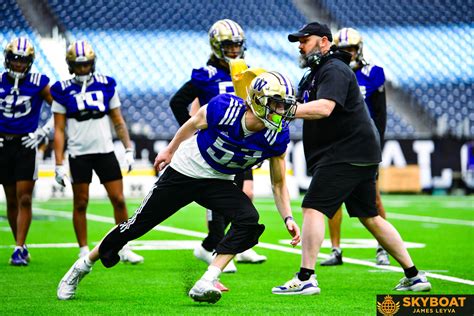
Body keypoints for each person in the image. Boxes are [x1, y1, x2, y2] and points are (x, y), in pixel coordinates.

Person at [56, 71, 301, 304]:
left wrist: (287, 216)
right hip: (186, 169)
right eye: (277, 103)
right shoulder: (225, 108)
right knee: (136, 226)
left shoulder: (276, 136)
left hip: (218, 180)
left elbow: (278, 182)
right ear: (258, 101)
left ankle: (207, 281)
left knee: (249, 220)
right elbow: (194, 122)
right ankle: (81, 267)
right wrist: (170, 150)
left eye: (285, 104)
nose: (283, 111)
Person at [272, 22, 431, 295]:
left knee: (312, 207)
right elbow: (297, 102)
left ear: (324, 42)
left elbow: (324, 108)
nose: (299, 45)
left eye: (304, 40)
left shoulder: (333, 68)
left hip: (344, 152)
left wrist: (287, 111)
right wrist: (274, 104)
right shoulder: (316, 73)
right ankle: (415, 276)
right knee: (371, 216)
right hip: (358, 152)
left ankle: (306, 277)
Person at [169, 19, 266, 275]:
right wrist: (196, 130)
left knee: (247, 194)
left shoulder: (247, 73)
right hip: (217, 145)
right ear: (215, 45)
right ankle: (214, 244)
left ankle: (236, 244)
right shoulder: (206, 74)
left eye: (237, 45)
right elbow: (177, 102)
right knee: (221, 193)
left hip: (243, 141)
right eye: (228, 45)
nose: (234, 50)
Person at [51, 40, 143, 264]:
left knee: (119, 199)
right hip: (79, 153)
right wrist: (59, 163)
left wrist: (128, 148)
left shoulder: (106, 84)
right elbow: (59, 129)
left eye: (86, 64)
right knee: (80, 202)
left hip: (105, 151)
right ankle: (83, 249)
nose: (83, 69)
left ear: (92, 63)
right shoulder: (62, 89)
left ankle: (123, 246)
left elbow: (118, 121)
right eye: (79, 65)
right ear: (71, 65)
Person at [319, 27, 390, 266]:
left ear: (358, 49)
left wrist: (377, 143)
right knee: (332, 200)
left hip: (364, 143)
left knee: (374, 199)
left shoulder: (373, 73)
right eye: (344, 49)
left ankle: (382, 248)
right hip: (338, 143)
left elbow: (380, 114)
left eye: (351, 49)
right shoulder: (331, 72)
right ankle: (336, 250)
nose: (348, 53)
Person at [0, 37, 53, 266]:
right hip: (2, 145)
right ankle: (19, 244)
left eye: (23, 60)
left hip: (26, 144)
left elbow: (59, 108)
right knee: (11, 199)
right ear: (7, 59)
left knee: (24, 197)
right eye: (15, 59)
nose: (19, 64)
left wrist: (44, 131)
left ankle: (19, 247)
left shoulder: (40, 82)